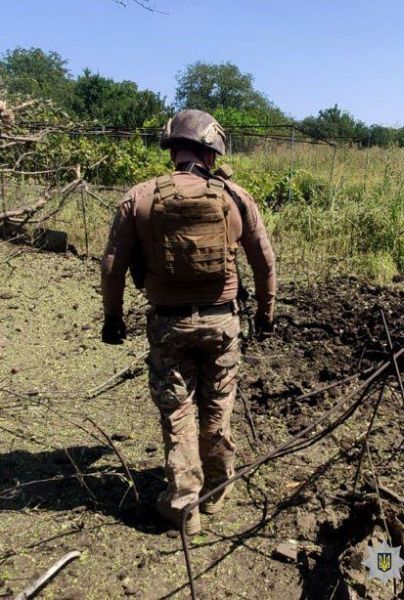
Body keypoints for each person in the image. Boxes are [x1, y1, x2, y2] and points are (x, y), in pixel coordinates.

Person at [100, 109, 276, 535]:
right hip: (222, 324)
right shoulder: (236, 197)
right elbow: (264, 261)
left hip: (168, 325)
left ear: (173, 150)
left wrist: (113, 318)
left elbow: (112, 265)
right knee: (217, 405)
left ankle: (183, 505)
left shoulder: (139, 197)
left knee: (178, 410)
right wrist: (266, 312)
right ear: (212, 151)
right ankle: (216, 490)